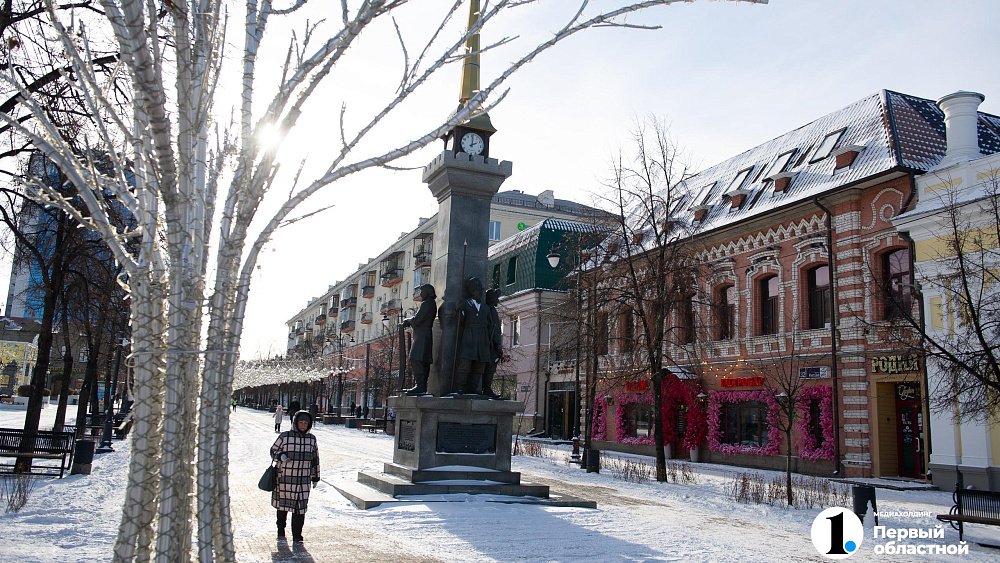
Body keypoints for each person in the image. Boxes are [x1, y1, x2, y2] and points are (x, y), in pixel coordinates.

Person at [270, 410, 320, 543]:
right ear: (295, 422)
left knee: (300, 509)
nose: (303, 425)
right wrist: (281, 456)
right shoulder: (285, 436)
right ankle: (281, 530)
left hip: (303, 480)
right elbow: (273, 450)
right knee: (283, 507)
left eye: (306, 423)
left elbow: (315, 459)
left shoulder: (312, 439)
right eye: (301, 422)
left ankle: (297, 535)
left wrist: (315, 477)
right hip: (285, 478)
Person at [454, 277, 491, 395]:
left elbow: (490, 325)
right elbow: (459, 322)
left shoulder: (486, 307)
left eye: (481, 290)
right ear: (471, 291)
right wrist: (458, 310)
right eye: (477, 290)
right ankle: (460, 388)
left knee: (479, 366)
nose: (480, 292)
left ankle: (474, 389)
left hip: (482, 338)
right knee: (465, 364)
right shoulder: (465, 303)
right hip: (469, 336)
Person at [403, 284, 437, 395]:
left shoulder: (427, 304)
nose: (421, 294)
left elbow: (417, 320)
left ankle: (421, 386)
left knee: (415, 358)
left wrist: (408, 320)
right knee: (423, 360)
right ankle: (422, 386)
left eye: (422, 292)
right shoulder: (431, 303)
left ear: (427, 292)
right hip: (425, 334)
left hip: (422, 335)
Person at [482, 288, 504, 399]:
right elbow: (494, 330)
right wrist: (498, 345)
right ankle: (486, 389)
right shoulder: (490, 310)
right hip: (490, 346)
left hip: (490, 345)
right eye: (496, 297)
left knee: (489, 368)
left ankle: (486, 388)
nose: (498, 300)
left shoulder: (490, 309)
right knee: (489, 368)